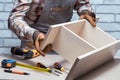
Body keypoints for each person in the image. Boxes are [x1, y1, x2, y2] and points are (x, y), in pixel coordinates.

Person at [8, 0, 96, 57]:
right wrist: (33, 34)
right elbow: (14, 19)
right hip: (33, 45)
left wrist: (86, 12)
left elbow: (83, 4)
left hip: (62, 43)